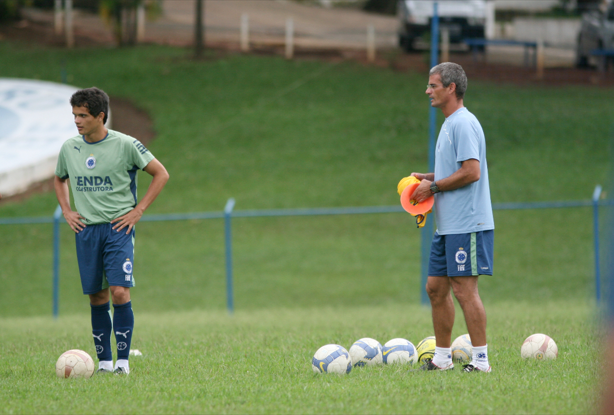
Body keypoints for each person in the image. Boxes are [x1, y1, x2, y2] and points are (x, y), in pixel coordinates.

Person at [54, 87, 169, 375]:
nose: (77, 121)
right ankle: (104, 364)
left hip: (118, 228)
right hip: (87, 231)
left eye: (83, 115)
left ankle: (123, 363)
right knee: (97, 297)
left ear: (100, 116)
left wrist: (138, 210)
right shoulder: (70, 148)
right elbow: (59, 179)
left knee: (119, 292)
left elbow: (161, 173)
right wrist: (67, 211)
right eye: (75, 115)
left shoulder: (126, 144)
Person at [410, 62, 495, 372]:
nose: (427, 91)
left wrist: (432, 186)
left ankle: (481, 361)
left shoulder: (463, 123)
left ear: (451, 88)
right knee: (435, 288)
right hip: (447, 226)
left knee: (463, 289)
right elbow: (455, 170)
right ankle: (443, 359)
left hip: (467, 223)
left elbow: (472, 172)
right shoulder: (449, 124)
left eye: (433, 85)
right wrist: (428, 177)